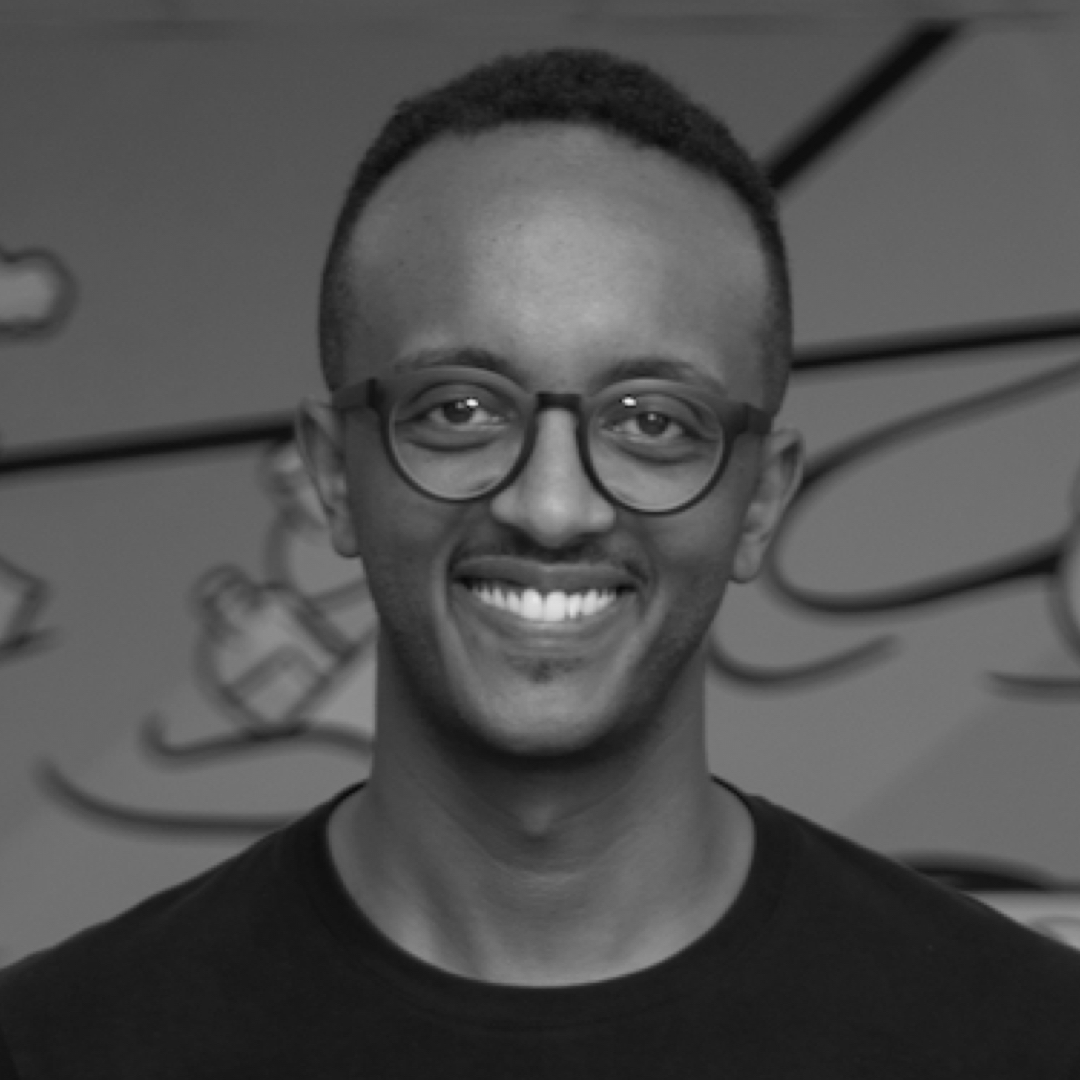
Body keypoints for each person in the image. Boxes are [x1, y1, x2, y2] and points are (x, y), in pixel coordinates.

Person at [2, 47, 1079, 1079]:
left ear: (760, 499)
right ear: (333, 474)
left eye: (652, 420)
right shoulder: (54, 1049)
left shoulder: (1031, 1043)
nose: (553, 507)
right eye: (461, 409)